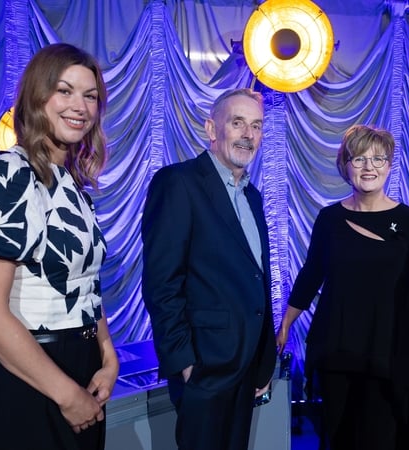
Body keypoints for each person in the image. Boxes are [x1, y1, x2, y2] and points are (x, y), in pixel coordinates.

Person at [0, 43, 118, 450]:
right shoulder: (3, 174)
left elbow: (84, 288)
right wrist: (66, 393)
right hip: (22, 378)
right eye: (64, 90)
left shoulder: (74, 187)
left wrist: (108, 357)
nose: (80, 105)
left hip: (80, 370)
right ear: (37, 97)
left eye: (90, 95)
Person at [276, 124, 409, 450]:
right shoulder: (328, 219)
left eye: (378, 159)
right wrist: (286, 323)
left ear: (389, 165)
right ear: (345, 165)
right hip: (337, 345)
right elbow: (311, 273)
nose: (369, 167)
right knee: (339, 436)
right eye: (359, 159)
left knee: (387, 438)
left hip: (392, 349)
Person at [141, 88, 277, 450]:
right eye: (237, 123)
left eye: (257, 126)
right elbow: (161, 283)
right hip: (204, 368)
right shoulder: (178, 183)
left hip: (247, 366)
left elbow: (256, 280)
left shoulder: (252, 195)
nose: (248, 134)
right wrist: (185, 364)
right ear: (211, 129)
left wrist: (263, 360)